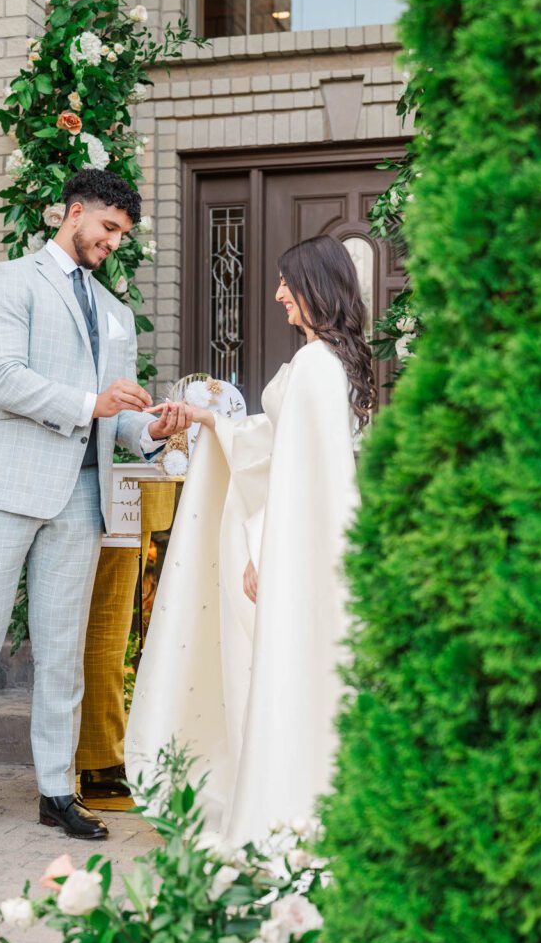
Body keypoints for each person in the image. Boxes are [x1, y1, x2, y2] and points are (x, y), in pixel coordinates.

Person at [0, 169, 191, 849]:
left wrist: (147, 429)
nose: (112, 243)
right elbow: (4, 379)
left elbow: (115, 421)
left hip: (81, 498)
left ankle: (54, 792)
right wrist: (90, 405)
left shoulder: (117, 312)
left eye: (122, 236)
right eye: (107, 228)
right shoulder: (8, 282)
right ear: (74, 214)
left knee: (64, 654)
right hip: (2, 489)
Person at [125, 235, 374, 844]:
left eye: (289, 282)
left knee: (277, 665)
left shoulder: (318, 364)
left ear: (316, 285)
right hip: (303, 546)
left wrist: (267, 552)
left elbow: (306, 475)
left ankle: (281, 805)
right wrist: (213, 419)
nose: (279, 293)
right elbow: (280, 439)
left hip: (291, 549)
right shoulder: (328, 359)